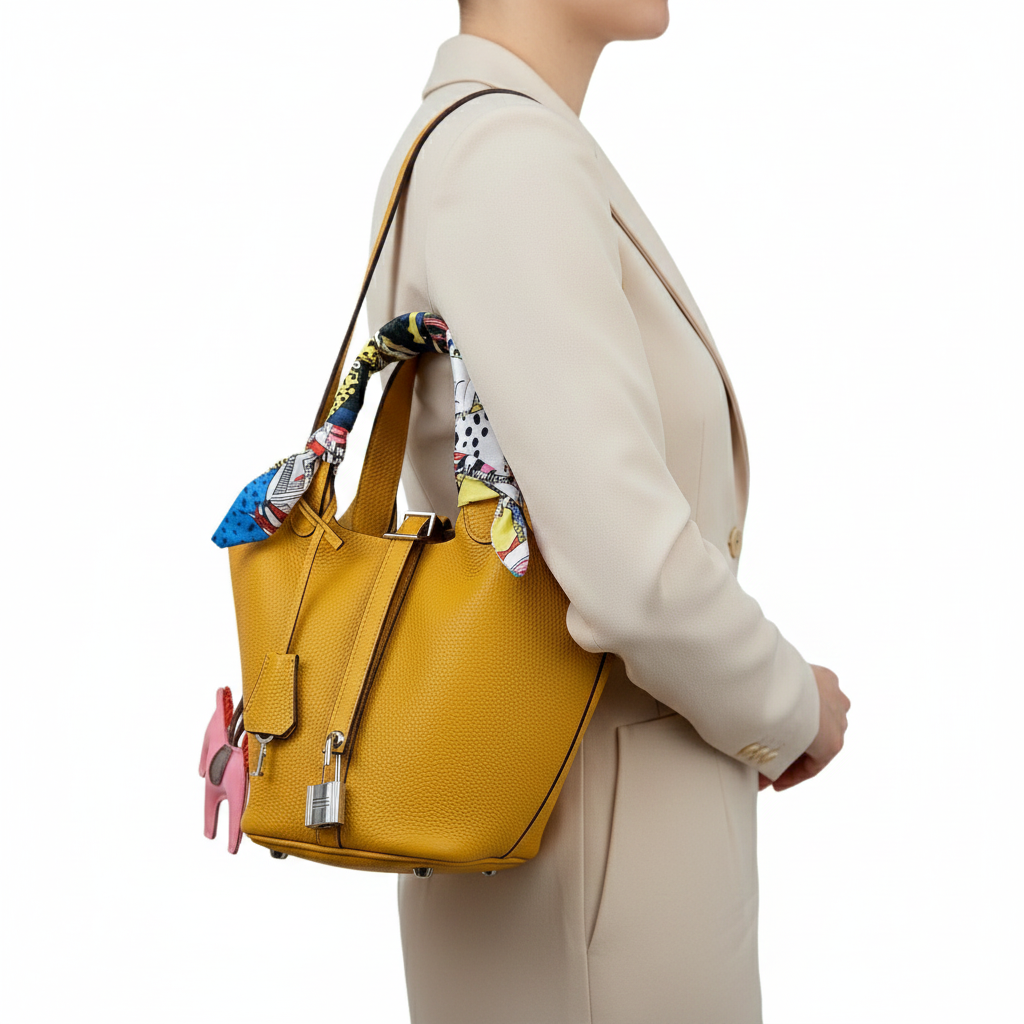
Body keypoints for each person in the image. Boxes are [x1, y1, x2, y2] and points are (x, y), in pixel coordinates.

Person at [365, 3, 850, 1022]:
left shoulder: (500, 147)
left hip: (583, 853)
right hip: (594, 877)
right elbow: (632, 573)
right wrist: (790, 705)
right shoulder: (505, 157)